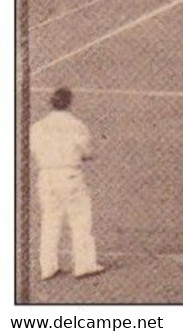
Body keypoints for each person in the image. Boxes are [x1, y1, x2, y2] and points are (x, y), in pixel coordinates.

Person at [31, 87, 102, 280]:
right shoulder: (76, 125)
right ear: (69, 103)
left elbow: (35, 150)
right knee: (79, 219)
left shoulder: (38, 126)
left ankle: (48, 266)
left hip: (46, 176)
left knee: (50, 220)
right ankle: (84, 264)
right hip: (70, 174)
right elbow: (87, 151)